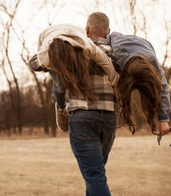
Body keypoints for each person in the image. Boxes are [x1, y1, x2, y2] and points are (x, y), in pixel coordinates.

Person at [28, 23, 118, 195]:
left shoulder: (86, 47)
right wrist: (115, 81)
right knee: (95, 175)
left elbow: (104, 61)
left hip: (82, 117)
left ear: (87, 30)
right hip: (109, 117)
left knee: (94, 175)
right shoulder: (48, 53)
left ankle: (61, 107)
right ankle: (61, 107)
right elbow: (107, 63)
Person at [106, 31, 171, 137]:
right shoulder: (118, 55)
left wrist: (163, 119)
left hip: (145, 44)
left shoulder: (153, 63)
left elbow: (163, 88)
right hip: (118, 39)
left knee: (155, 87)